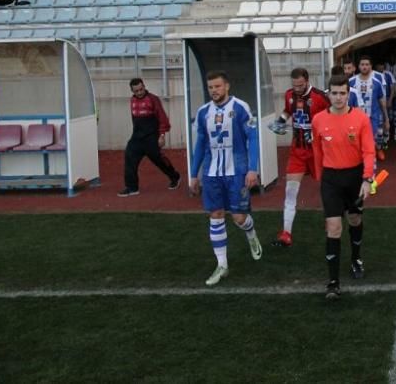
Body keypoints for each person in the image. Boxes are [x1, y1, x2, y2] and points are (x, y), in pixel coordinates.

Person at [189, 71, 263, 287]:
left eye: (218, 86)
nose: (214, 90)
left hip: (237, 172)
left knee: (239, 218)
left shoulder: (240, 107)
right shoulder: (203, 113)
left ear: (227, 86)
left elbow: (253, 138)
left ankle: (250, 232)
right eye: (210, 87)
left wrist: (252, 169)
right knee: (216, 215)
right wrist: (194, 174)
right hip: (212, 174)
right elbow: (200, 145)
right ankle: (222, 264)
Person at [312, 74, 376, 299]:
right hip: (330, 179)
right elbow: (317, 152)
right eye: (334, 93)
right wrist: (321, 178)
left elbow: (369, 151)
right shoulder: (318, 120)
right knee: (333, 227)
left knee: (355, 220)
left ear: (349, 94)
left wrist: (367, 179)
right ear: (328, 94)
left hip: (355, 177)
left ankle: (356, 258)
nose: (338, 97)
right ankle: (333, 281)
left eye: (342, 93)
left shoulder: (360, 119)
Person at [269, 68, 331, 248]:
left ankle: (330, 219)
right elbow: (287, 111)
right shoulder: (289, 95)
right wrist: (280, 122)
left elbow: (332, 116)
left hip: (317, 151)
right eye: (294, 85)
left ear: (307, 81)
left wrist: (318, 133)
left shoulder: (320, 97)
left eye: (300, 85)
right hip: (297, 150)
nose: (296, 89)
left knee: (327, 188)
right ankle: (286, 233)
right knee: (290, 191)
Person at [118, 78, 181, 197]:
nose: (140, 92)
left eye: (141, 89)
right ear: (132, 91)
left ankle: (175, 177)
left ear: (144, 86)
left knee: (159, 160)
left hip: (151, 137)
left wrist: (162, 135)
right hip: (137, 137)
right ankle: (132, 187)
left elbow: (162, 118)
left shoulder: (153, 99)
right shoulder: (132, 100)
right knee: (129, 157)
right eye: (136, 91)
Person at [348, 57, 390, 162]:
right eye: (362, 64)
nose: (364, 67)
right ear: (358, 66)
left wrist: (386, 118)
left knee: (376, 136)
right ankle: (363, 156)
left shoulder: (376, 82)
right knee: (358, 137)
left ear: (371, 66)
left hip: (374, 115)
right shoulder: (351, 81)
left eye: (367, 64)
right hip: (356, 116)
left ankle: (378, 149)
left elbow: (382, 100)